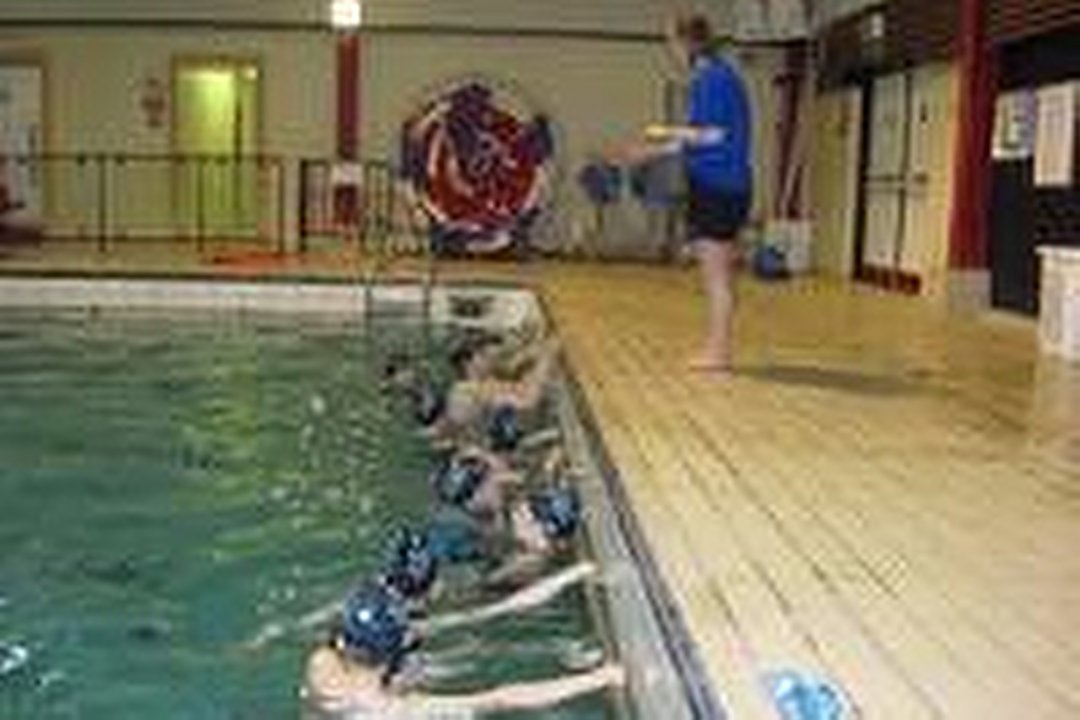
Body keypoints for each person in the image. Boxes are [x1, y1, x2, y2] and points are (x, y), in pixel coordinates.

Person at [611, 13, 753, 373]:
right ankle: (719, 348)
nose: (670, 50)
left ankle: (718, 354)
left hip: (718, 188)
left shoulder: (713, 80)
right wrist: (650, 149)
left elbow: (711, 136)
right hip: (726, 186)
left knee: (715, 276)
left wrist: (660, 133)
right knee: (722, 273)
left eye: (671, 42)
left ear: (687, 43)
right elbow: (696, 140)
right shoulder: (719, 77)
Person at [303, 582, 624, 718]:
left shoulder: (321, 663)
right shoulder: (400, 710)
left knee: (448, 660)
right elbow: (503, 698)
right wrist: (602, 677)